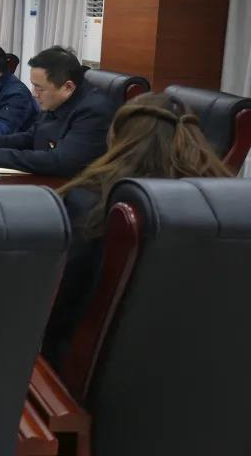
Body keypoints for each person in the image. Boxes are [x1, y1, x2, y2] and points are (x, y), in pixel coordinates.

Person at [42, 93, 232, 367]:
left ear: (116, 136)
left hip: (91, 369)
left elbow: (57, 303)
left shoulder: (91, 201)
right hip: (218, 365)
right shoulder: (230, 203)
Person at [0, 47, 116, 177]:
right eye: (33, 86)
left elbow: (61, 161)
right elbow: (31, 138)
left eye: (40, 88)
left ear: (68, 87)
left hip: (75, 187)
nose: (34, 94)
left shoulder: (94, 111)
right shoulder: (56, 101)